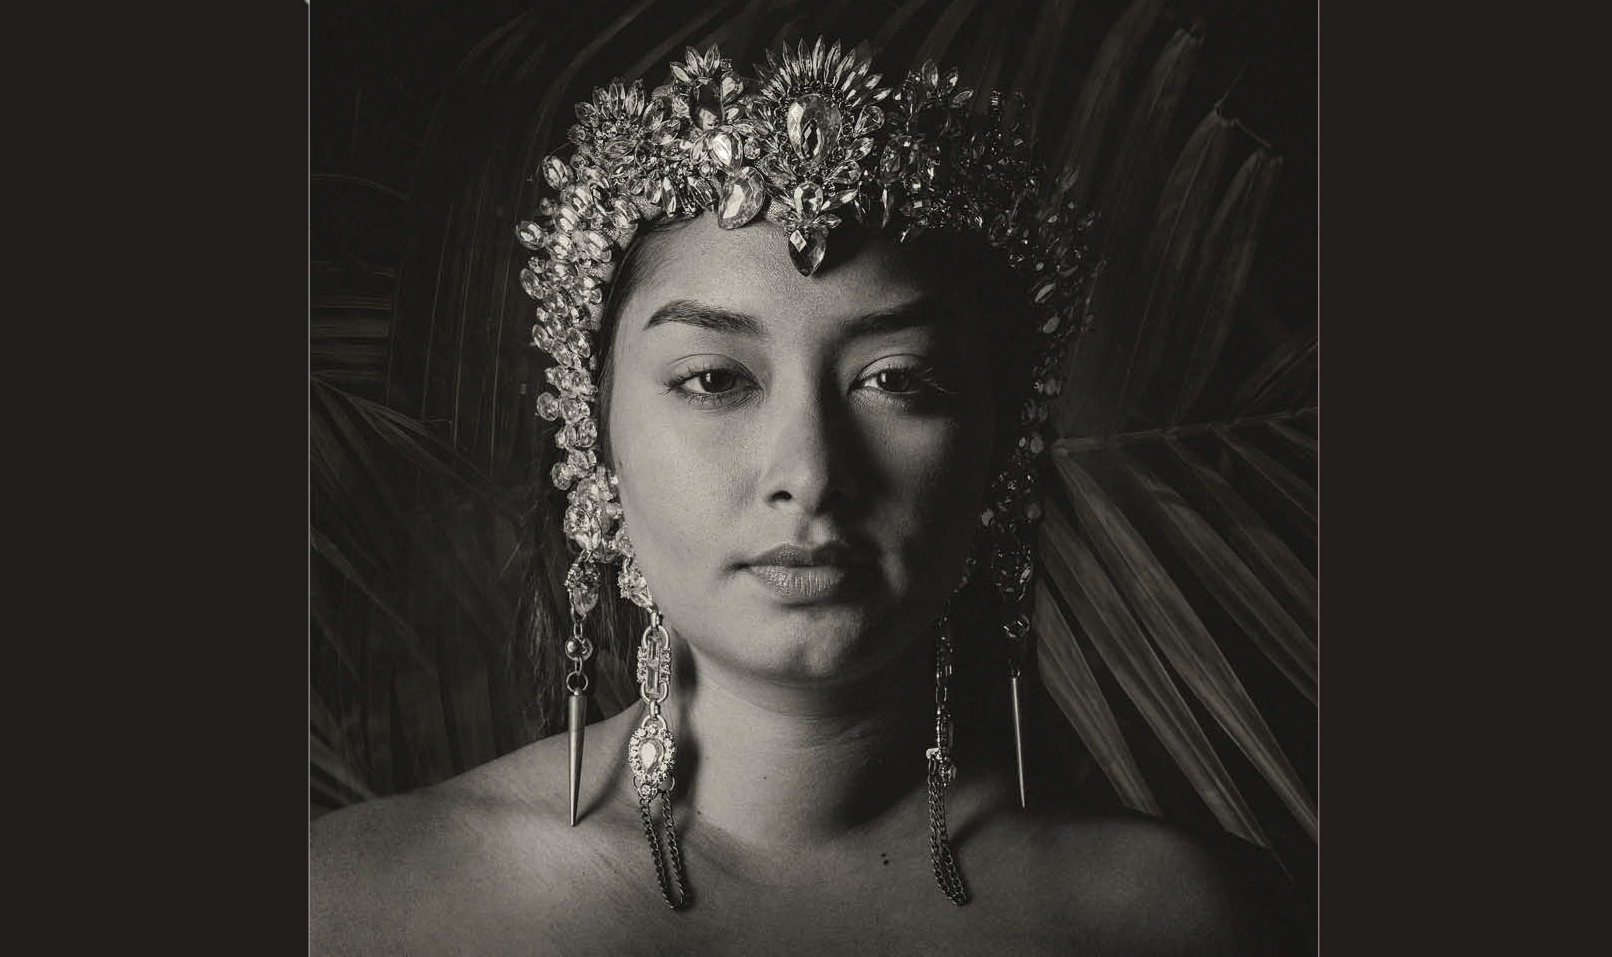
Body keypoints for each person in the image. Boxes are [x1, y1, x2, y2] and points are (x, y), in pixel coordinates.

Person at [312, 38, 1302, 955]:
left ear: (1002, 449)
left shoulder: (1190, 921)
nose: (812, 473)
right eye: (715, 379)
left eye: (897, 379)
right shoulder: (353, 905)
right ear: (593, 435)